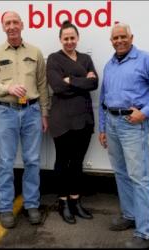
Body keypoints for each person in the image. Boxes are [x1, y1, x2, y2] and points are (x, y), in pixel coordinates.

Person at [98, 22, 149, 248]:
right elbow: (103, 99)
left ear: (131, 37)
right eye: (115, 38)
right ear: (111, 41)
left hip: (132, 125)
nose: (119, 41)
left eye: (123, 36)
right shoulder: (109, 65)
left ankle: (145, 233)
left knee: (139, 178)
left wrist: (145, 113)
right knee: (121, 173)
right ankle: (129, 216)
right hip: (111, 123)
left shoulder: (146, 60)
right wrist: (102, 128)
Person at [0, 11, 49, 229]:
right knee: (5, 162)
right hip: (6, 111)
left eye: (15, 22)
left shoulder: (35, 52)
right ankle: (5, 208)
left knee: (32, 160)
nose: (11, 26)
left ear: (22, 25)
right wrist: (7, 88)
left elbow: (42, 85)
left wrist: (44, 113)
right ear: (3, 27)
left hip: (31, 112)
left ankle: (31, 205)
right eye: (7, 23)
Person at [46, 20, 98, 224]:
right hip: (62, 119)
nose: (69, 41)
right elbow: (58, 87)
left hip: (84, 119)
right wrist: (82, 80)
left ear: (77, 39)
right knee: (63, 161)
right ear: (60, 39)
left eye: (72, 38)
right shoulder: (54, 59)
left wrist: (71, 80)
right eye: (65, 38)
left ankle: (76, 201)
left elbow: (94, 83)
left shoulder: (86, 58)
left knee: (77, 162)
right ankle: (63, 202)